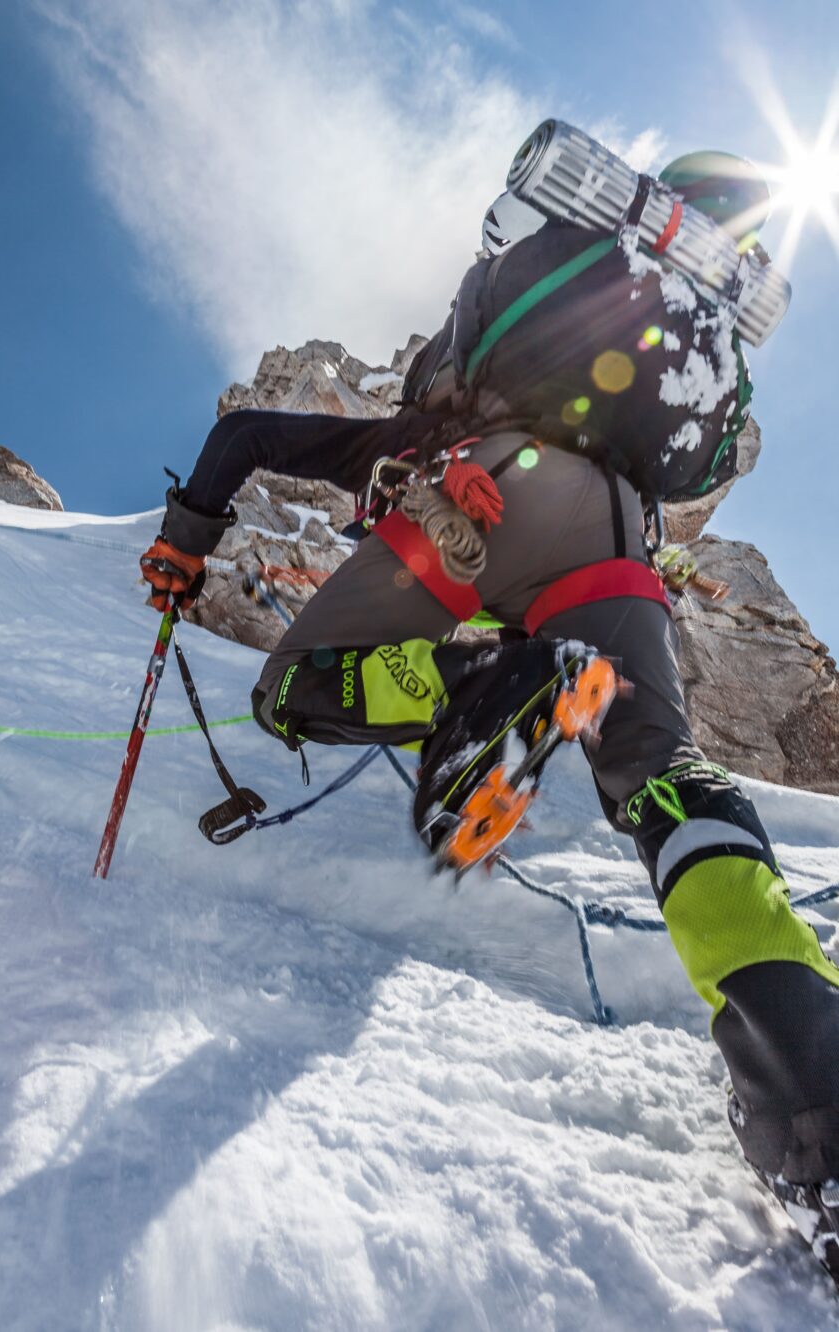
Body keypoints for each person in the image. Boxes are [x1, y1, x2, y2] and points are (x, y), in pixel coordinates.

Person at [141, 139, 839, 1283]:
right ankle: (819, 1117)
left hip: (484, 493)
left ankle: (507, 680)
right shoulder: (675, 365)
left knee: (298, 689)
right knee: (667, 779)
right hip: (620, 546)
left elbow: (249, 438)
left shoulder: (425, 415)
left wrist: (182, 547)